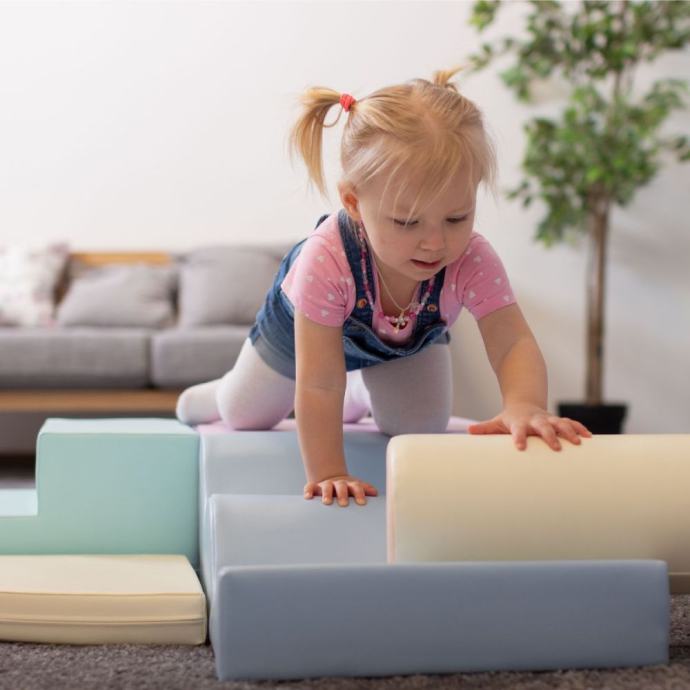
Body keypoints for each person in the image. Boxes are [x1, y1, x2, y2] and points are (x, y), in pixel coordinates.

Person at [176, 66, 592, 508]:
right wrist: (329, 472)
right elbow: (319, 384)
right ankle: (213, 394)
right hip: (300, 340)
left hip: (406, 341)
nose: (435, 243)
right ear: (354, 202)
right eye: (407, 222)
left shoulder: (471, 257)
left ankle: (360, 390)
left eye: (456, 218)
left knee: (419, 426)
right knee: (246, 413)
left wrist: (525, 404)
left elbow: (512, 343)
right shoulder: (326, 260)